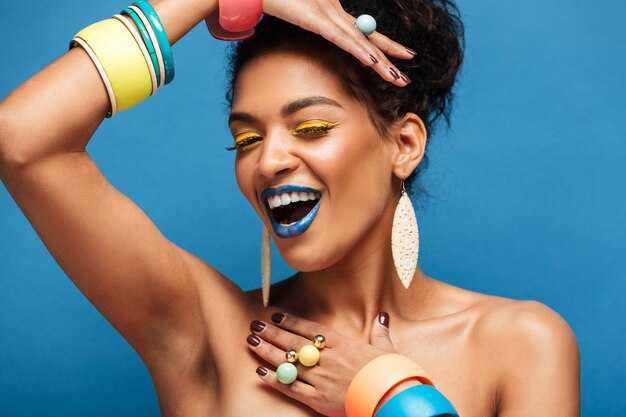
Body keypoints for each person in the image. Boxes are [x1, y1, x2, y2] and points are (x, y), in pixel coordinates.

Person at [0, 0, 580, 416]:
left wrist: (391, 396)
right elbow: (23, 140)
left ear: (402, 145)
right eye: (247, 138)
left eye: (312, 126)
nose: (269, 160)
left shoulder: (522, 344)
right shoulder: (210, 336)